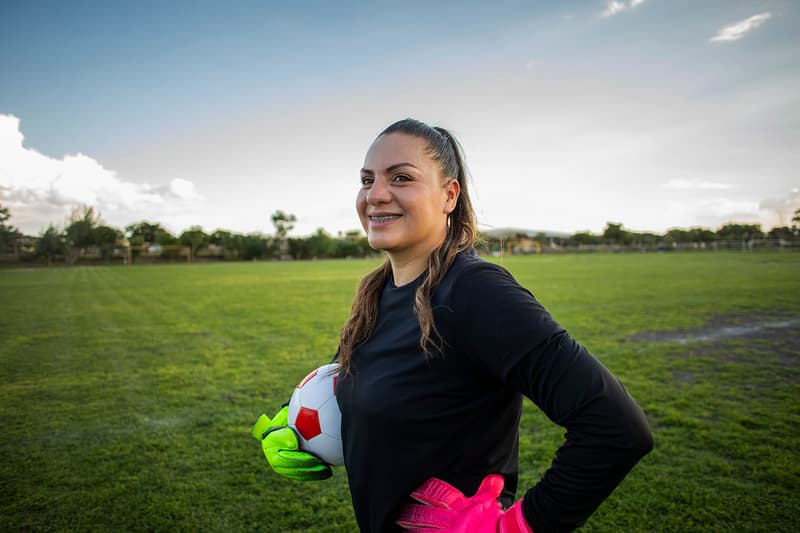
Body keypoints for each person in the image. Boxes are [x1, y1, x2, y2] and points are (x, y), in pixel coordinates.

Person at [254, 118, 653, 532]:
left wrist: (516, 527)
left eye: (401, 177)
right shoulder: (376, 292)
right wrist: (294, 422)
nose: (376, 194)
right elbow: (355, 382)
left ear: (449, 195)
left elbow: (616, 426)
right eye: (367, 180)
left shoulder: (476, 291)